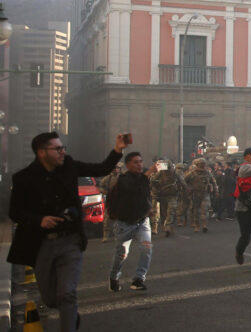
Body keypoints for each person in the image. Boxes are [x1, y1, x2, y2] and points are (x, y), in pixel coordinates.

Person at [7, 132, 125, 332]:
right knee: (52, 298)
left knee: (67, 294)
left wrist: (118, 149)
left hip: (70, 241)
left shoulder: (69, 166)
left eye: (63, 148)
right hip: (41, 244)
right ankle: (69, 312)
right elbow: (14, 212)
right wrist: (39, 220)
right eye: (58, 149)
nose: (63, 152)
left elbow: (101, 168)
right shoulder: (23, 178)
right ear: (41, 152)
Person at [108, 151, 158, 292]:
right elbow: (132, 189)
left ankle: (138, 279)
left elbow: (144, 196)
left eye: (141, 161)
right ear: (127, 165)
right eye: (135, 162)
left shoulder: (143, 179)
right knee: (121, 253)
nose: (139, 164)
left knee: (146, 248)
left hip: (142, 222)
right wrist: (149, 172)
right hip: (125, 224)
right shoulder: (123, 179)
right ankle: (114, 277)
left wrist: (148, 209)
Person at [149, 159, 185, 237]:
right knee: (162, 213)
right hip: (162, 195)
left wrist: (186, 190)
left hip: (172, 195)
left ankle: (168, 227)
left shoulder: (175, 173)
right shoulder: (160, 173)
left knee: (171, 211)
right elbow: (153, 181)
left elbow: (182, 182)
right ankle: (159, 226)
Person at [183, 159, 219, 233]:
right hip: (195, 194)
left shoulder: (208, 173)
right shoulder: (192, 173)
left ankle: (204, 225)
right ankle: (196, 226)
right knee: (196, 211)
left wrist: (216, 191)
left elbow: (214, 182)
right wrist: (188, 189)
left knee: (205, 209)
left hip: (205, 194)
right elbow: (184, 182)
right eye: (201, 164)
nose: (202, 165)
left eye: (203, 164)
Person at [97, 164, 121, 242]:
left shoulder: (123, 177)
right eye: (114, 168)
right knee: (107, 219)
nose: (115, 169)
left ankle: (119, 235)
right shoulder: (107, 178)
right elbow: (100, 186)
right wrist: (105, 192)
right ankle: (106, 236)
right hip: (110, 201)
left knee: (121, 220)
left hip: (121, 201)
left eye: (117, 168)